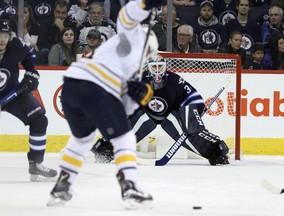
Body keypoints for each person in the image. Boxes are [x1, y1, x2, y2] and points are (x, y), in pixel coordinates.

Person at [47, 0, 162, 209]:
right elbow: (126, 16)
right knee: (124, 136)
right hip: (96, 86)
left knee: (82, 139)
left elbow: (122, 109)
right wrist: (144, 4)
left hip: (72, 85)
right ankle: (130, 186)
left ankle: (62, 187)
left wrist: (138, 98)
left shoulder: (128, 68)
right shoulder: (133, 37)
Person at [91, 53, 230, 166]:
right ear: (148, 68)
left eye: (160, 66)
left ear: (165, 68)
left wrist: (192, 116)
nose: (157, 70)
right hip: (145, 113)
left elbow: (194, 97)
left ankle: (216, 151)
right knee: (135, 122)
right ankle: (106, 150)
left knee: (190, 130)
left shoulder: (175, 80)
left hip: (172, 114)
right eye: (154, 67)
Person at [0, 19, 57, 181]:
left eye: (5, 35)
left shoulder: (16, 44)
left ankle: (36, 164)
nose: (2, 39)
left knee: (39, 120)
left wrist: (31, 74)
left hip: (13, 92)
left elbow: (30, 54)